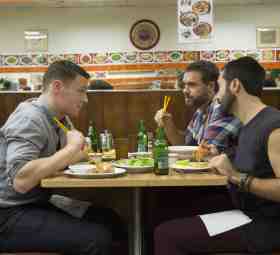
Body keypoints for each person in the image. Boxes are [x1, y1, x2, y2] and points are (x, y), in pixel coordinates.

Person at [154, 56, 280, 254]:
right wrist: (219, 155)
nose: (218, 96)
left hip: (265, 225)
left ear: (235, 86)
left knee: (166, 234)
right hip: (245, 210)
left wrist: (236, 176)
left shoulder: (273, 126)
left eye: (220, 87)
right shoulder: (249, 124)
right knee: (161, 209)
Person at [0, 60, 118, 254]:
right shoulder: (29, 118)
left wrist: (77, 152)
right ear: (57, 87)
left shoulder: (59, 118)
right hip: (8, 213)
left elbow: (74, 155)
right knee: (96, 239)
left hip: (36, 203)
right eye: (81, 91)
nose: (86, 99)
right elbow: (20, 180)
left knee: (109, 219)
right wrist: (70, 150)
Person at [154, 60, 242, 154]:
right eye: (184, 85)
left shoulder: (221, 110)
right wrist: (168, 125)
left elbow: (205, 153)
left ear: (211, 86)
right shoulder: (201, 111)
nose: (185, 91)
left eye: (192, 85)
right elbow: (185, 145)